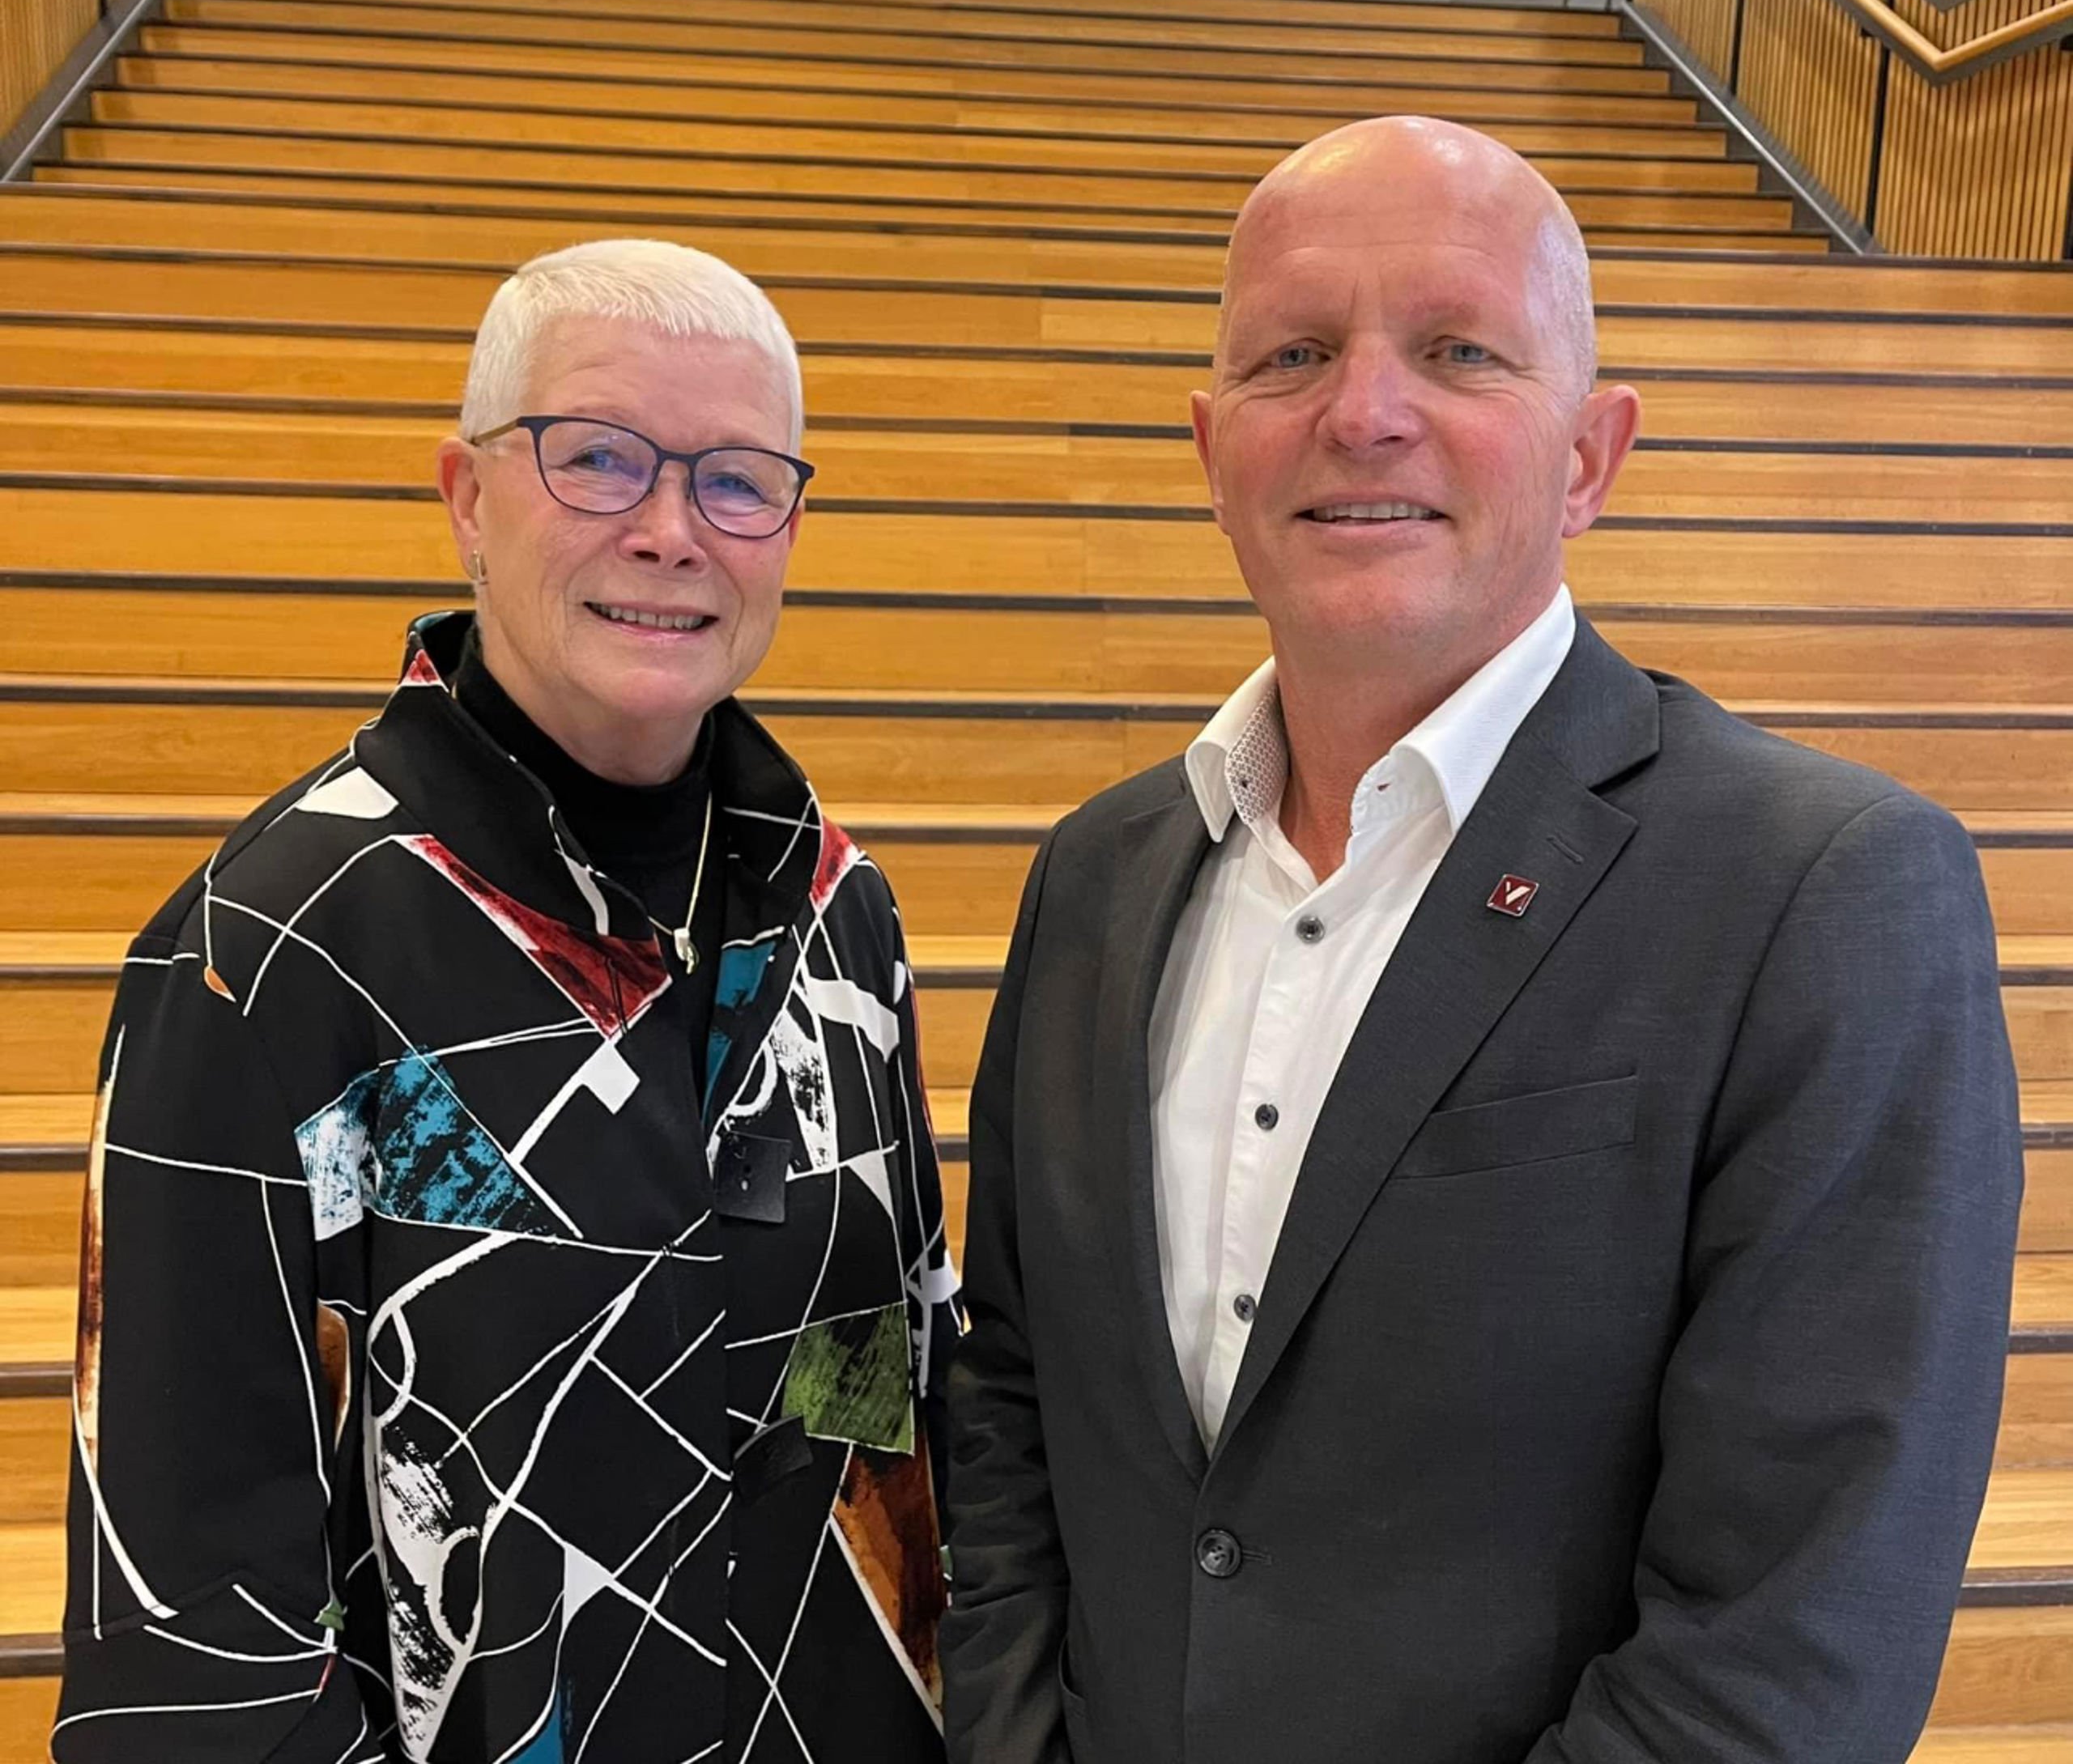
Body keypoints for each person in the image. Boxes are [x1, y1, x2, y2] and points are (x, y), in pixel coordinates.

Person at [941, 117, 2022, 1763]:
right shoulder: (1096, 875)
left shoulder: (1821, 892)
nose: (1363, 412)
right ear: (1212, 449)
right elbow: (1016, 1394)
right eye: (1292, 355)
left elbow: (1794, 1636)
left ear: (1589, 455)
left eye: (1457, 351)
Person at [56, 239, 957, 1763]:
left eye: (737, 481)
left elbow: (899, 1410)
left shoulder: (839, 908)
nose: (670, 532)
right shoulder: (264, 953)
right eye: (597, 458)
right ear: (467, 497)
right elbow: (197, 1642)